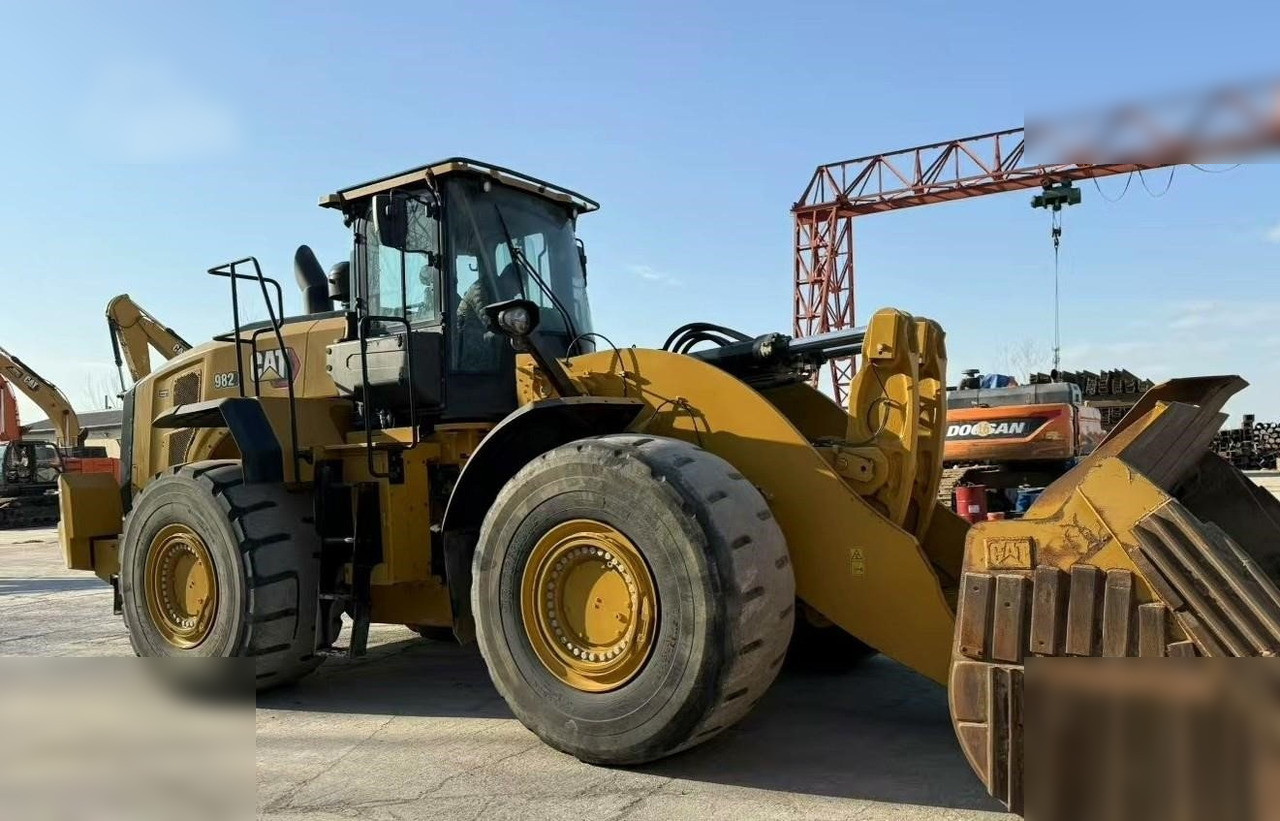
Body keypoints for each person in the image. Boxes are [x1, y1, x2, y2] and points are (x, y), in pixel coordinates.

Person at [456, 262, 525, 370]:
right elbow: (488, 321)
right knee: (500, 338)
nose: (517, 293)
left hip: (482, 335)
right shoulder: (479, 289)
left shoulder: (503, 294)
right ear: (508, 279)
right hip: (466, 339)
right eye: (517, 287)